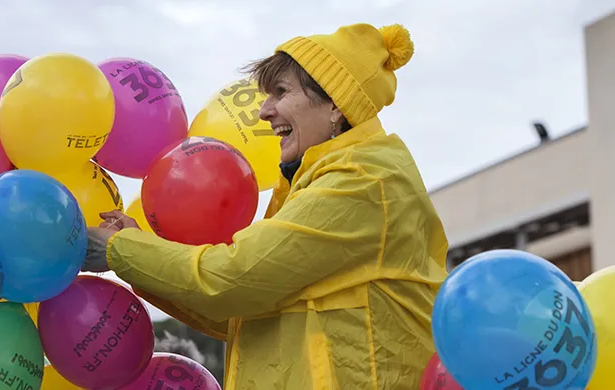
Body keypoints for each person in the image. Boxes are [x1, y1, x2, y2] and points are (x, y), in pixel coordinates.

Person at [84, 22, 449, 389]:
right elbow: (240, 312)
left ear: (336, 105)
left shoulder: (365, 180)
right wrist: (132, 259)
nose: (264, 111)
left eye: (281, 92)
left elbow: (233, 279)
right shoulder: (321, 181)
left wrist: (121, 250)